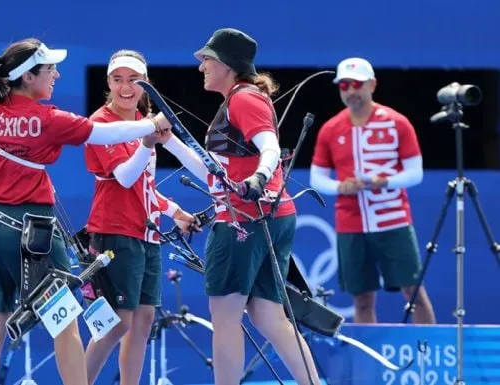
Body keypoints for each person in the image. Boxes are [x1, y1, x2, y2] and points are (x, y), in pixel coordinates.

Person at [0, 38, 171, 385]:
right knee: (63, 322)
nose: (57, 76)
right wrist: (152, 126)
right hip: (35, 237)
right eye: (50, 70)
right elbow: (103, 133)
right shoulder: (47, 118)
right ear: (29, 77)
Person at [155, 28, 322, 385]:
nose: (201, 67)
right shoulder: (240, 99)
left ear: (228, 65)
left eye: (208, 60)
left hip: (243, 221)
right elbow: (215, 173)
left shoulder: (244, 100)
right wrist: (169, 141)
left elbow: (272, 149)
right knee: (267, 315)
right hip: (268, 217)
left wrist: (259, 178)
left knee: (225, 315)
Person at [82, 49, 199, 385]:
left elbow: (145, 188)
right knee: (118, 321)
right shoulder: (101, 123)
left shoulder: (141, 123)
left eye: (134, 80)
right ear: (108, 83)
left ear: (146, 84)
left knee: (144, 319)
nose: (126, 87)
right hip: (114, 231)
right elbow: (124, 177)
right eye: (118, 80)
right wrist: (147, 143)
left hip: (145, 234)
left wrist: (176, 212)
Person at [309, 57, 436, 325]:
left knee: (414, 293)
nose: (351, 91)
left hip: (393, 219)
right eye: (344, 85)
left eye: (357, 84)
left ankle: (430, 359)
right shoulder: (331, 129)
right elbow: (317, 179)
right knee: (362, 300)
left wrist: (384, 182)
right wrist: (340, 187)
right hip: (351, 224)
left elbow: (416, 173)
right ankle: (368, 365)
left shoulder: (397, 122)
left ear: (372, 85)